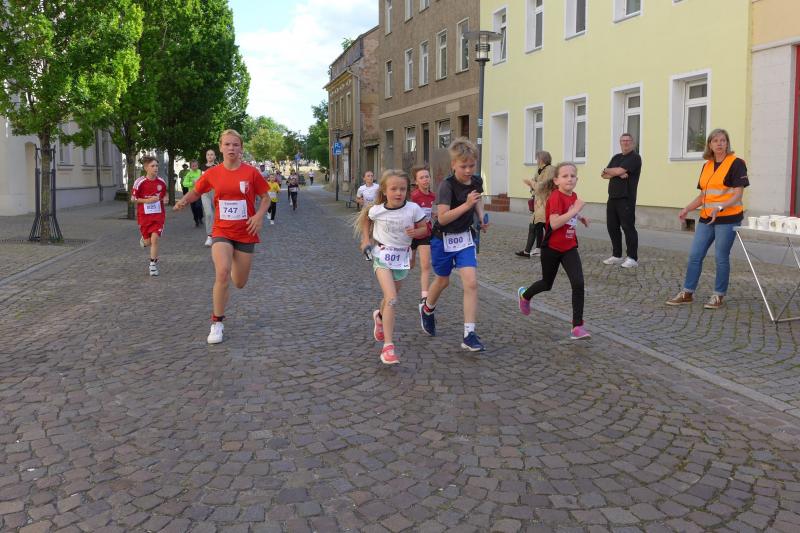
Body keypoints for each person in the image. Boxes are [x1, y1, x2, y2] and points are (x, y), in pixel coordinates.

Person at [174, 129, 270, 344]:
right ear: (220, 148)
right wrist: (184, 201)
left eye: (235, 144)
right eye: (227, 144)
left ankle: (234, 266)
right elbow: (196, 191)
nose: (231, 148)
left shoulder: (251, 173)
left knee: (240, 282)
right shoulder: (213, 173)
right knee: (222, 273)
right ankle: (217, 322)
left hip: (245, 232)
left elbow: (266, 198)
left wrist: (259, 216)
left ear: (241, 148)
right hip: (222, 231)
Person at [418, 138, 488, 352]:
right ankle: (427, 309)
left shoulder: (476, 181)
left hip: (465, 238)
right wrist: (466, 205)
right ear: (453, 165)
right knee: (443, 280)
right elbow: (442, 217)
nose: (468, 170)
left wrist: (481, 216)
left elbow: (477, 199)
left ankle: (469, 334)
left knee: (471, 282)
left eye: (471, 165)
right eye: (463, 166)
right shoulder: (446, 186)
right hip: (443, 239)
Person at [666, 128, 749, 309]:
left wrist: (720, 207)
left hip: (728, 218)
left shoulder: (736, 163)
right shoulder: (707, 165)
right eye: (715, 141)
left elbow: (738, 195)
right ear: (710, 145)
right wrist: (687, 208)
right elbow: (703, 195)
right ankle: (687, 293)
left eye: (723, 140)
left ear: (727, 143)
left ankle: (718, 295)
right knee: (695, 255)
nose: (719, 144)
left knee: (721, 257)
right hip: (706, 218)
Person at [357, 169, 427, 365]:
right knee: (392, 298)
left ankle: (379, 317)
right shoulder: (377, 210)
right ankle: (388, 347)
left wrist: (416, 233)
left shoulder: (413, 209)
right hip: (381, 256)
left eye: (402, 189)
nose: (398, 193)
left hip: (402, 259)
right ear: (384, 191)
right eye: (394, 189)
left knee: (390, 298)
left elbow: (424, 229)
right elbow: (366, 218)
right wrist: (365, 239)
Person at [517, 162, 591, 340]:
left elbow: (570, 210)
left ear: (577, 179)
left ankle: (577, 326)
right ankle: (525, 295)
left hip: (569, 247)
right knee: (547, 284)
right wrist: (576, 210)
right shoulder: (556, 197)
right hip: (551, 248)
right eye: (565, 176)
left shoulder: (573, 196)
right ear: (556, 180)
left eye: (572, 176)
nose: (569, 179)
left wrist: (580, 217)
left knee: (578, 283)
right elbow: (555, 223)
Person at [601, 133, 643, 268]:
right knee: (612, 227)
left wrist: (614, 171)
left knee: (628, 227)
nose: (625, 143)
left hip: (626, 198)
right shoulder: (616, 157)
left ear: (633, 143)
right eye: (623, 140)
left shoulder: (635, 157)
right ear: (620, 143)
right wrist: (613, 172)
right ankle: (617, 255)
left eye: (628, 140)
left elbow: (617, 171)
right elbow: (603, 175)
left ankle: (632, 258)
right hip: (612, 197)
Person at [132, 156, 168, 277]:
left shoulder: (161, 182)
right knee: (148, 242)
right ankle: (144, 240)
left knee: (155, 239)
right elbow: (133, 199)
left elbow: (164, 194)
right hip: (144, 216)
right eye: (152, 166)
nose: (155, 168)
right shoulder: (139, 182)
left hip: (158, 216)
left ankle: (153, 265)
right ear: (146, 168)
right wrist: (147, 201)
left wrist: (165, 198)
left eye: (156, 166)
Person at [516, 151, 555, 257]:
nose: (536, 160)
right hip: (539, 202)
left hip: (546, 202)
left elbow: (544, 186)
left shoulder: (550, 170)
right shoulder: (540, 170)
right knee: (536, 225)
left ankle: (543, 249)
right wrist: (531, 184)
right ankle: (531, 250)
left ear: (541, 159)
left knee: (541, 226)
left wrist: (532, 183)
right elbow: (535, 183)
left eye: (537, 158)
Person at [410, 165, 435, 302]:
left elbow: (429, 211)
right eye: (422, 178)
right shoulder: (414, 196)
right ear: (416, 181)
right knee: (410, 264)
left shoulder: (432, 196)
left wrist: (434, 214)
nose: (425, 179)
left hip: (425, 234)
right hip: (412, 234)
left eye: (427, 176)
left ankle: (424, 298)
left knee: (426, 266)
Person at [200, 148, 218, 247]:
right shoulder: (201, 167)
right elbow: (200, 179)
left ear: (214, 156)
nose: (210, 156)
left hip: (216, 192)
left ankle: (218, 234)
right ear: (206, 156)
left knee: (217, 214)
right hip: (205, 193)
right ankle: (209, 236)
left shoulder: (218, 166)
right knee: (208, 214)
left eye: (212, 154)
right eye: (208, 154)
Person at [181, 160, 204, 227]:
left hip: (199, 192)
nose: (195, 167)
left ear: (198, 166)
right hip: (191, 194)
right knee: (193, 208)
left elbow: (204, 179)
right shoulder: (189, 174)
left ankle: (200, 217)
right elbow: (184, 183)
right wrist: (192, 183)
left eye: (196, 165)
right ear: (190, 167)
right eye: (193, 166)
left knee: (198, 206)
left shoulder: (200, 172)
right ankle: (196, 220)